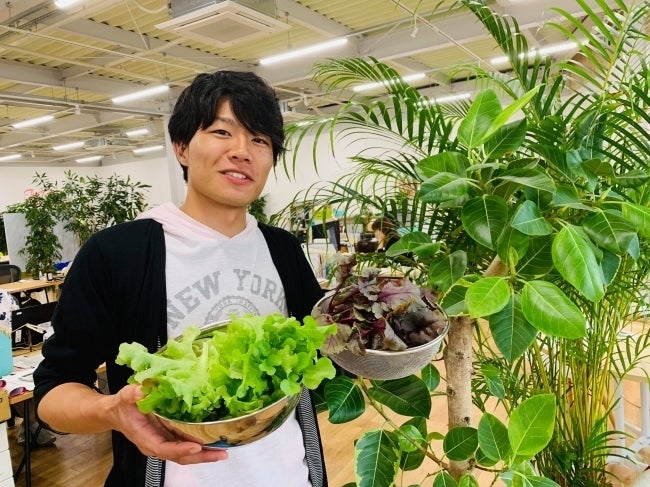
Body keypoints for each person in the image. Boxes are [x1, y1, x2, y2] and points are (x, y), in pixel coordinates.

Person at [33, 71, 327, 487]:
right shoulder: (118, 253)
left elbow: (324, 353)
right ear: (182, 148)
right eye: (222, 132)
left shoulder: (283, 249)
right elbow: (52, 392)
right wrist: (113, 411)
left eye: (260, 140)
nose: (242, 151)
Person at [0, 289, 56, 447]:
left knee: (32, 375)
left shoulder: (5, 298)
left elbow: (18, 329)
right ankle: (33, 424)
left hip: (8, 357)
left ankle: (31, 424)